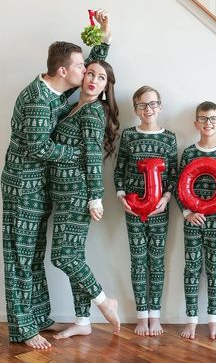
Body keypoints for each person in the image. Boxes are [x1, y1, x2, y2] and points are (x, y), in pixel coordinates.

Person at [1, 10, 110, 349]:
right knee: (19, 256)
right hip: (22, 188)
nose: (85, 72)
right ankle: (22, 329)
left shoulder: (55, 91)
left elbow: (93, 69)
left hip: (40, 188)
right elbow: (38, 147)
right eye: (81, 68)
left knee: (35, 255)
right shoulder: (37, 99)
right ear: (64, 71)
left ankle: (39, 317)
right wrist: (76, 157)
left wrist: (103, 37)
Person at [50, 60, 120, 339]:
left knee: (62, 256)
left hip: (78, 195)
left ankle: (104, 301)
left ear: (105, 87)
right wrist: (103, 40)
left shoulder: (92, 113)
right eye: (89, 73)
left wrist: (95, 198)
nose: (93, 79)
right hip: (64, 193)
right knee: (74, 256)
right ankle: (82, 320)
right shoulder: (73, 107)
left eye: (101, 78)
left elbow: (93, 158)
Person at [114, 86, 178, 336]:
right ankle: (142, 315)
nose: (148, 109)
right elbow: (119, 170)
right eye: (142, 105)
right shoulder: (128, 136)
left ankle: (155, 315)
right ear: (135, 109)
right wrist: (120, 195)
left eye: (152, 104)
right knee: (138, 260)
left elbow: (173, 174)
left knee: (157, 262)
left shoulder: (169, 138)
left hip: (160, 211)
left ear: (160, 107)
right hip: (133, 210)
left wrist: (167, 197)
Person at [176, 101, 216, 340]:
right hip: (193, 222)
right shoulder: (189, 153)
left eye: (212, 119)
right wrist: (187, 213)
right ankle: (191, 320)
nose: (207, 123)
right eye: (203, 119)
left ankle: (213, 320)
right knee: (191, 270)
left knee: (215, 272)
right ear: (195, 123)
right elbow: (180, 188)